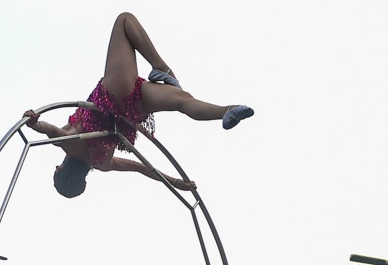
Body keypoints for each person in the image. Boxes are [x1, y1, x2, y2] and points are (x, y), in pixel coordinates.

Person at [21, 12, 253, 198]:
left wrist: (174, 182)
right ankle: (161, 68)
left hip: (135, 111)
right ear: (61, 169)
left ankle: (227, 111)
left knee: (183, 102)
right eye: (57, 170)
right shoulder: (70, 143)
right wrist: (34, 123)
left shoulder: (103, 164)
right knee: (124, 21)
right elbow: (50, 131)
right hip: (115, 95)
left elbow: (143, 167)